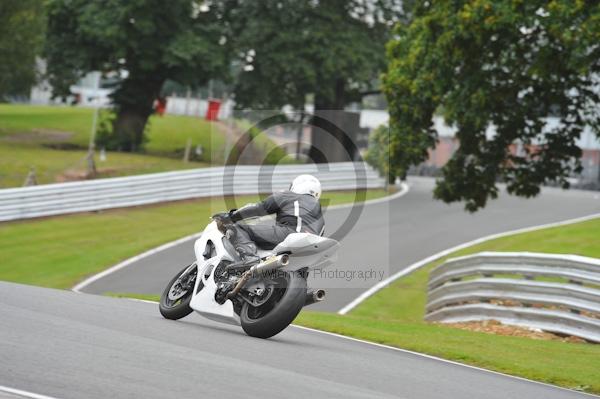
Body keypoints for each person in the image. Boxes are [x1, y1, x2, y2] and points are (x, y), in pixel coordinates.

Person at [226, 174, 324, 263]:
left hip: (289, 234)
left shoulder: (288, 195)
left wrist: (231, 216)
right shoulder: (319, 212)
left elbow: (259, 208)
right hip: (310, 245)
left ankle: (250, 258)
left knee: (237, 228)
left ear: (296, 185)